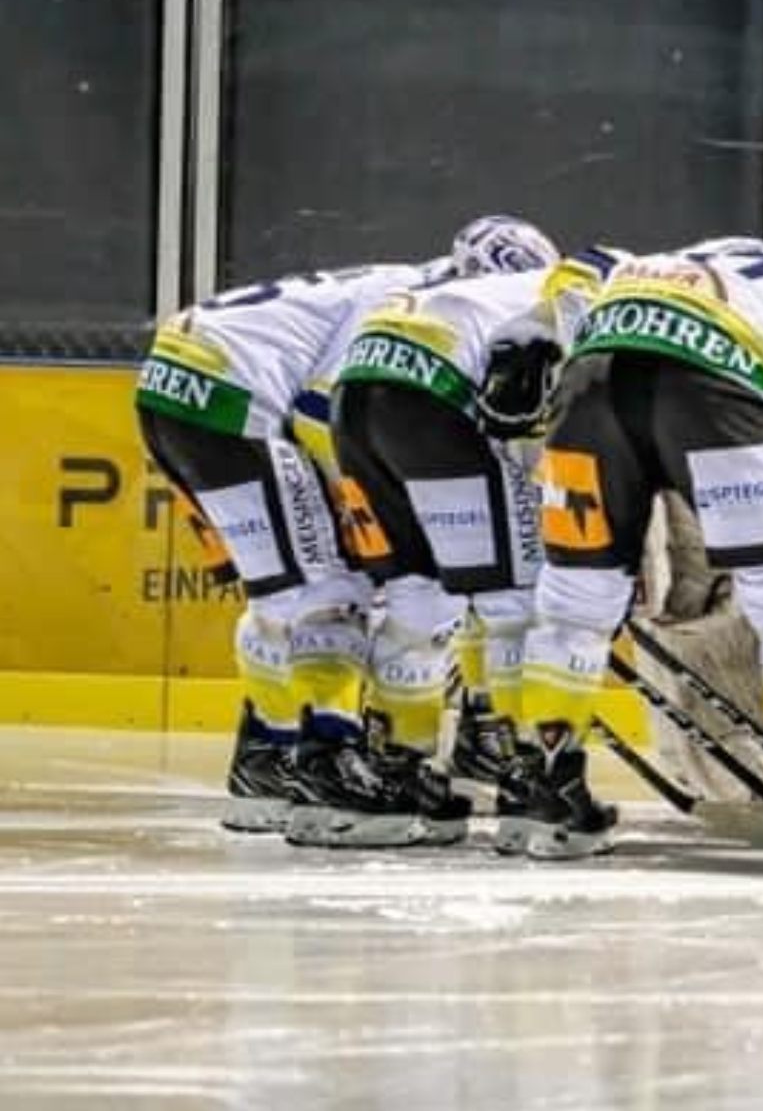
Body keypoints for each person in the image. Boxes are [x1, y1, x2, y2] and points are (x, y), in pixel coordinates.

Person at [132, 217, 542, 841]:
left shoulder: (405, 287)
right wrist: (377, 512)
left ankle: (269, 757)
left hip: (182, 387)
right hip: (229, 398)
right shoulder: (417, 307)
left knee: (285, 592)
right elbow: (331, 411)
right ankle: (327, 763)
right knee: (329, 595)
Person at [513, 238, 763, 867]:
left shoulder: (730, 251)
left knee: (574, 602)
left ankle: (549, 795)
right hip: (718, 372)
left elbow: (582, 268)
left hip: (593, 364)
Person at [328, 223, 567, 848]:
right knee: (513, 598)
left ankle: (393, 776)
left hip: (353, 403)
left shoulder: (424, 287)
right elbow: (528, 421)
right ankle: (527, 778)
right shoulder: (555, 293)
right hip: (431, 404)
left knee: (415, 594)